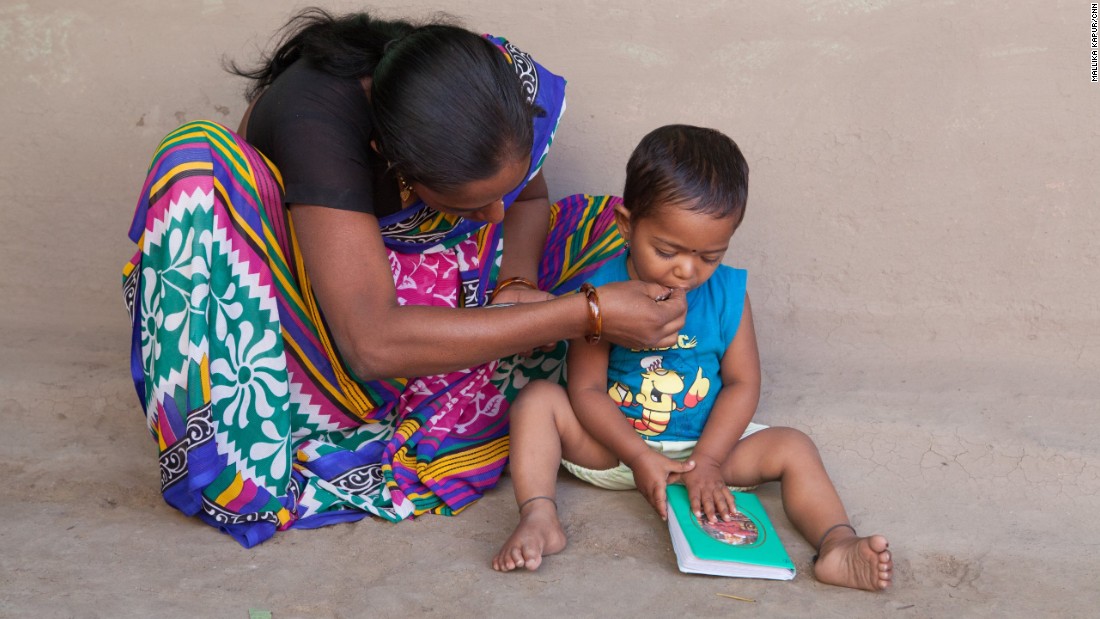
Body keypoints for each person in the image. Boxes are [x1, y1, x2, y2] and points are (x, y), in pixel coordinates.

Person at [122, 8, 685, 547]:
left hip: (450, 293)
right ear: (390, 158)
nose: (496, 212)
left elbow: (529, 196)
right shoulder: (315, 124)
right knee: (193, 161)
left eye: (499, 194)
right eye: (472, 200)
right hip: (318, 340)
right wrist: (584, 313)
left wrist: (515, 283)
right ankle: (338, 433)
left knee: (627, 236)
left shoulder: (497, 81)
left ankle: (550, 406)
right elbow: (369, 344)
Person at [492, 125, 894, 591]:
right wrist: (639, 456)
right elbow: (585, 390)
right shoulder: (600, 293)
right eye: (666, 250)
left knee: (794, 446)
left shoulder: (728, 295)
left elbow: (743, 383)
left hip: (708, 452)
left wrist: (708, 462)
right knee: (538, 401)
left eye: (710, 255)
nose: (686, 270)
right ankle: (540, 515)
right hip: (614, 449)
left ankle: (837, 546)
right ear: (627, 225)